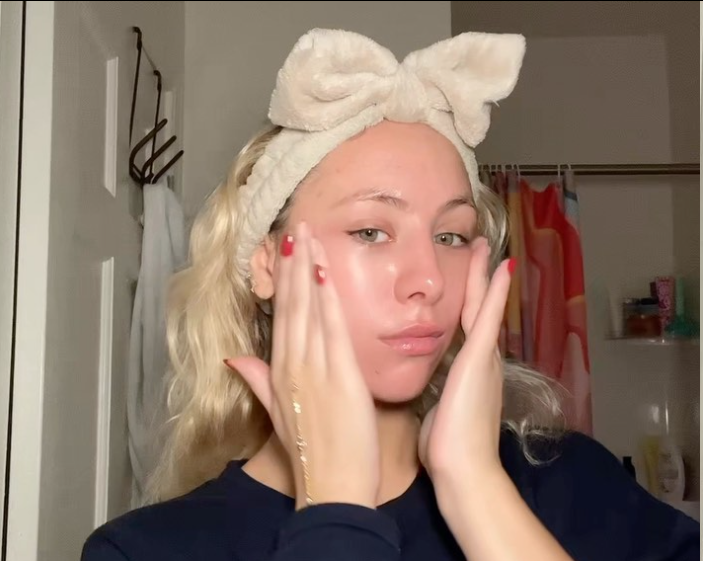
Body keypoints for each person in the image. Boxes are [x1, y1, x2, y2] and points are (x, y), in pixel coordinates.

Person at [81, 28, 699, 561]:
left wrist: (476, 487)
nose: (428, 278)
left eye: (452, 235)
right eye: (371, 231)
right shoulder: (144, 550)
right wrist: (338, 509)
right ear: (265, 264)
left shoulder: (575, 483)